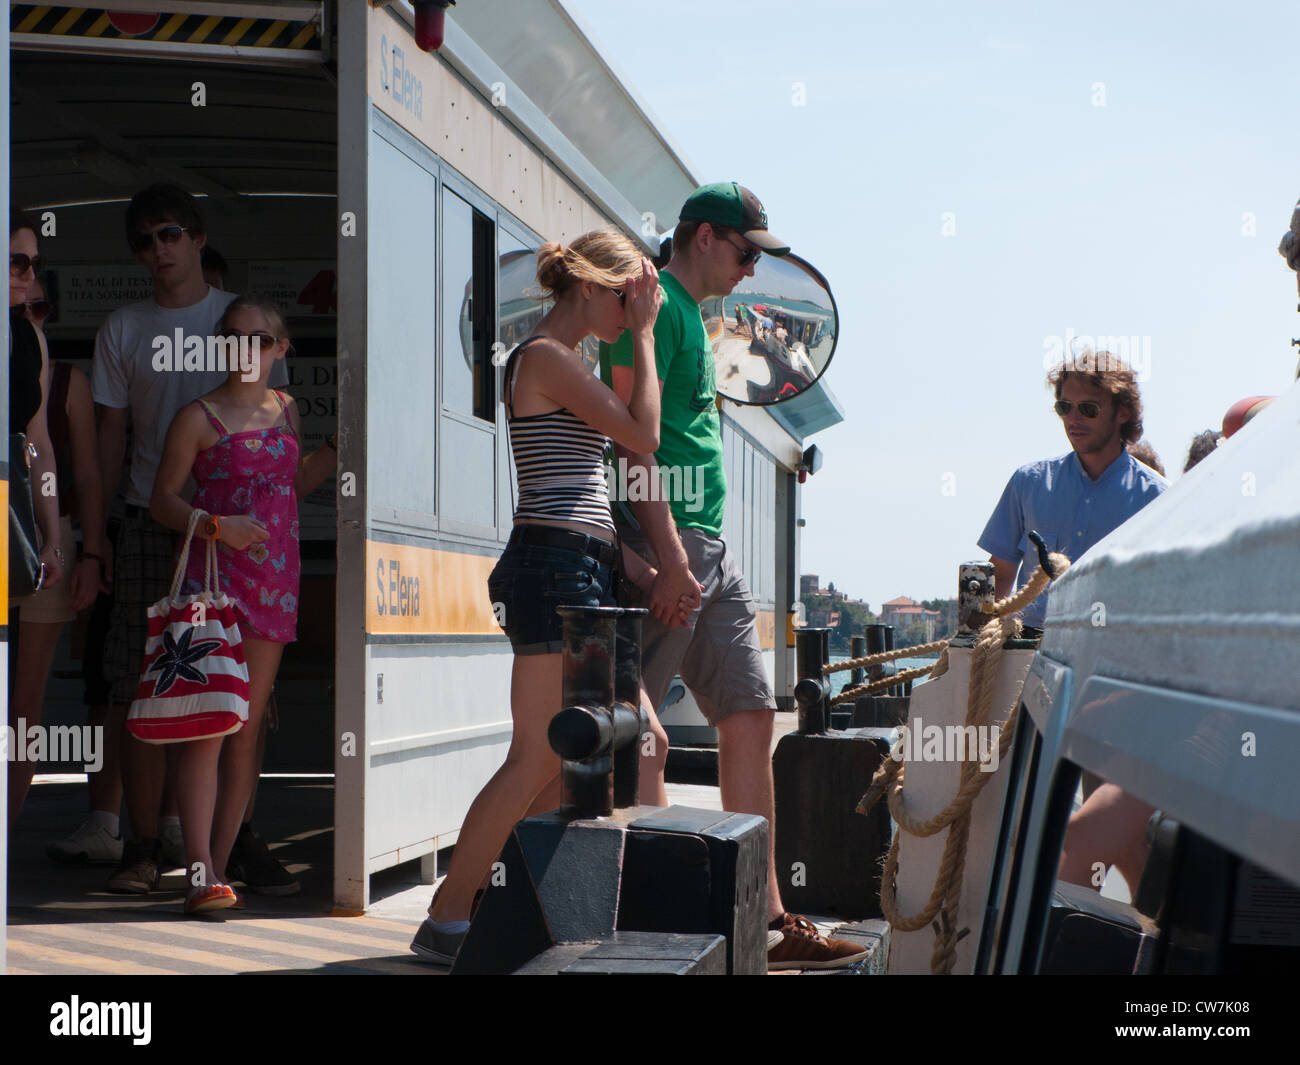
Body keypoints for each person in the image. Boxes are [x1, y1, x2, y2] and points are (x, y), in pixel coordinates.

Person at [600, 182, 869, 970]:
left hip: (706, 545)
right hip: (668, 542)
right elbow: (630, 446)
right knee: (635, 741)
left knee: (752, 715)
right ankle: (640, 923)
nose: (752, 270)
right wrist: (669, 557)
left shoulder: (693, 318)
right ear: (707, 236)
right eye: (747, 252)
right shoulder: (648, 319)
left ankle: (767, 916)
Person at [411, 229, 680, 966]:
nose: (635, 310)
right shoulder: (545, 358)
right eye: (627, 296)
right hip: (551, 569)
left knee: (636, 744)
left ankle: (523, 906)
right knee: (537, 755)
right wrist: (648, 338)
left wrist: (635, 563)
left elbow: (580, 489)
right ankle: (449, 913)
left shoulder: (571, 364)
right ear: (591, 287)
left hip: (580, 565)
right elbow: (643, 434)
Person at [91, 183, 290, 895]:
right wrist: (101, 530)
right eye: (143, 241)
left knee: (237, 705)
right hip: (155, 523)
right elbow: (110, 432)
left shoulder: (238, 317)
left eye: (169, 234)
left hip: (251, 553)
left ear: (199, 239)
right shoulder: (123, 327)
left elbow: (286, 444)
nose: (158, 250)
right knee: (148, 693)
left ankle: (220, 849)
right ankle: (142, 846)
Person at [150, 297, 335, 913]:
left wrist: (337, 450)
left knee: (245, 731)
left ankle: (220, 869)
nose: (242, 349)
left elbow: (293, 485)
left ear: (281, 349)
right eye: (231, 337)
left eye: (257, 339)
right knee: (209, 727)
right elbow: (161, 501)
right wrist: (214, 526)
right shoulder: (196, 417)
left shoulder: (287, 410)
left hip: (276, 586)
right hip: (214, 584)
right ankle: (199, 874)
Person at [978, 353, 1168, 638]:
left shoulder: (1157, 497)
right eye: (1065, 407)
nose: (1073, 419)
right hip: (1026, 650)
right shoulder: (1027, 483)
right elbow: (999, 578)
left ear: (1123, 413)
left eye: (1088, 409)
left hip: (1115, 650)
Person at [9, 275, 106, 827]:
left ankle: (4, 843)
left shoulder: (69, 380)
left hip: (49, 534)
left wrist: (86, 552)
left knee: (25, 707)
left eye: (41, 306)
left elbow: (88, 475)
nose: (31, 315)